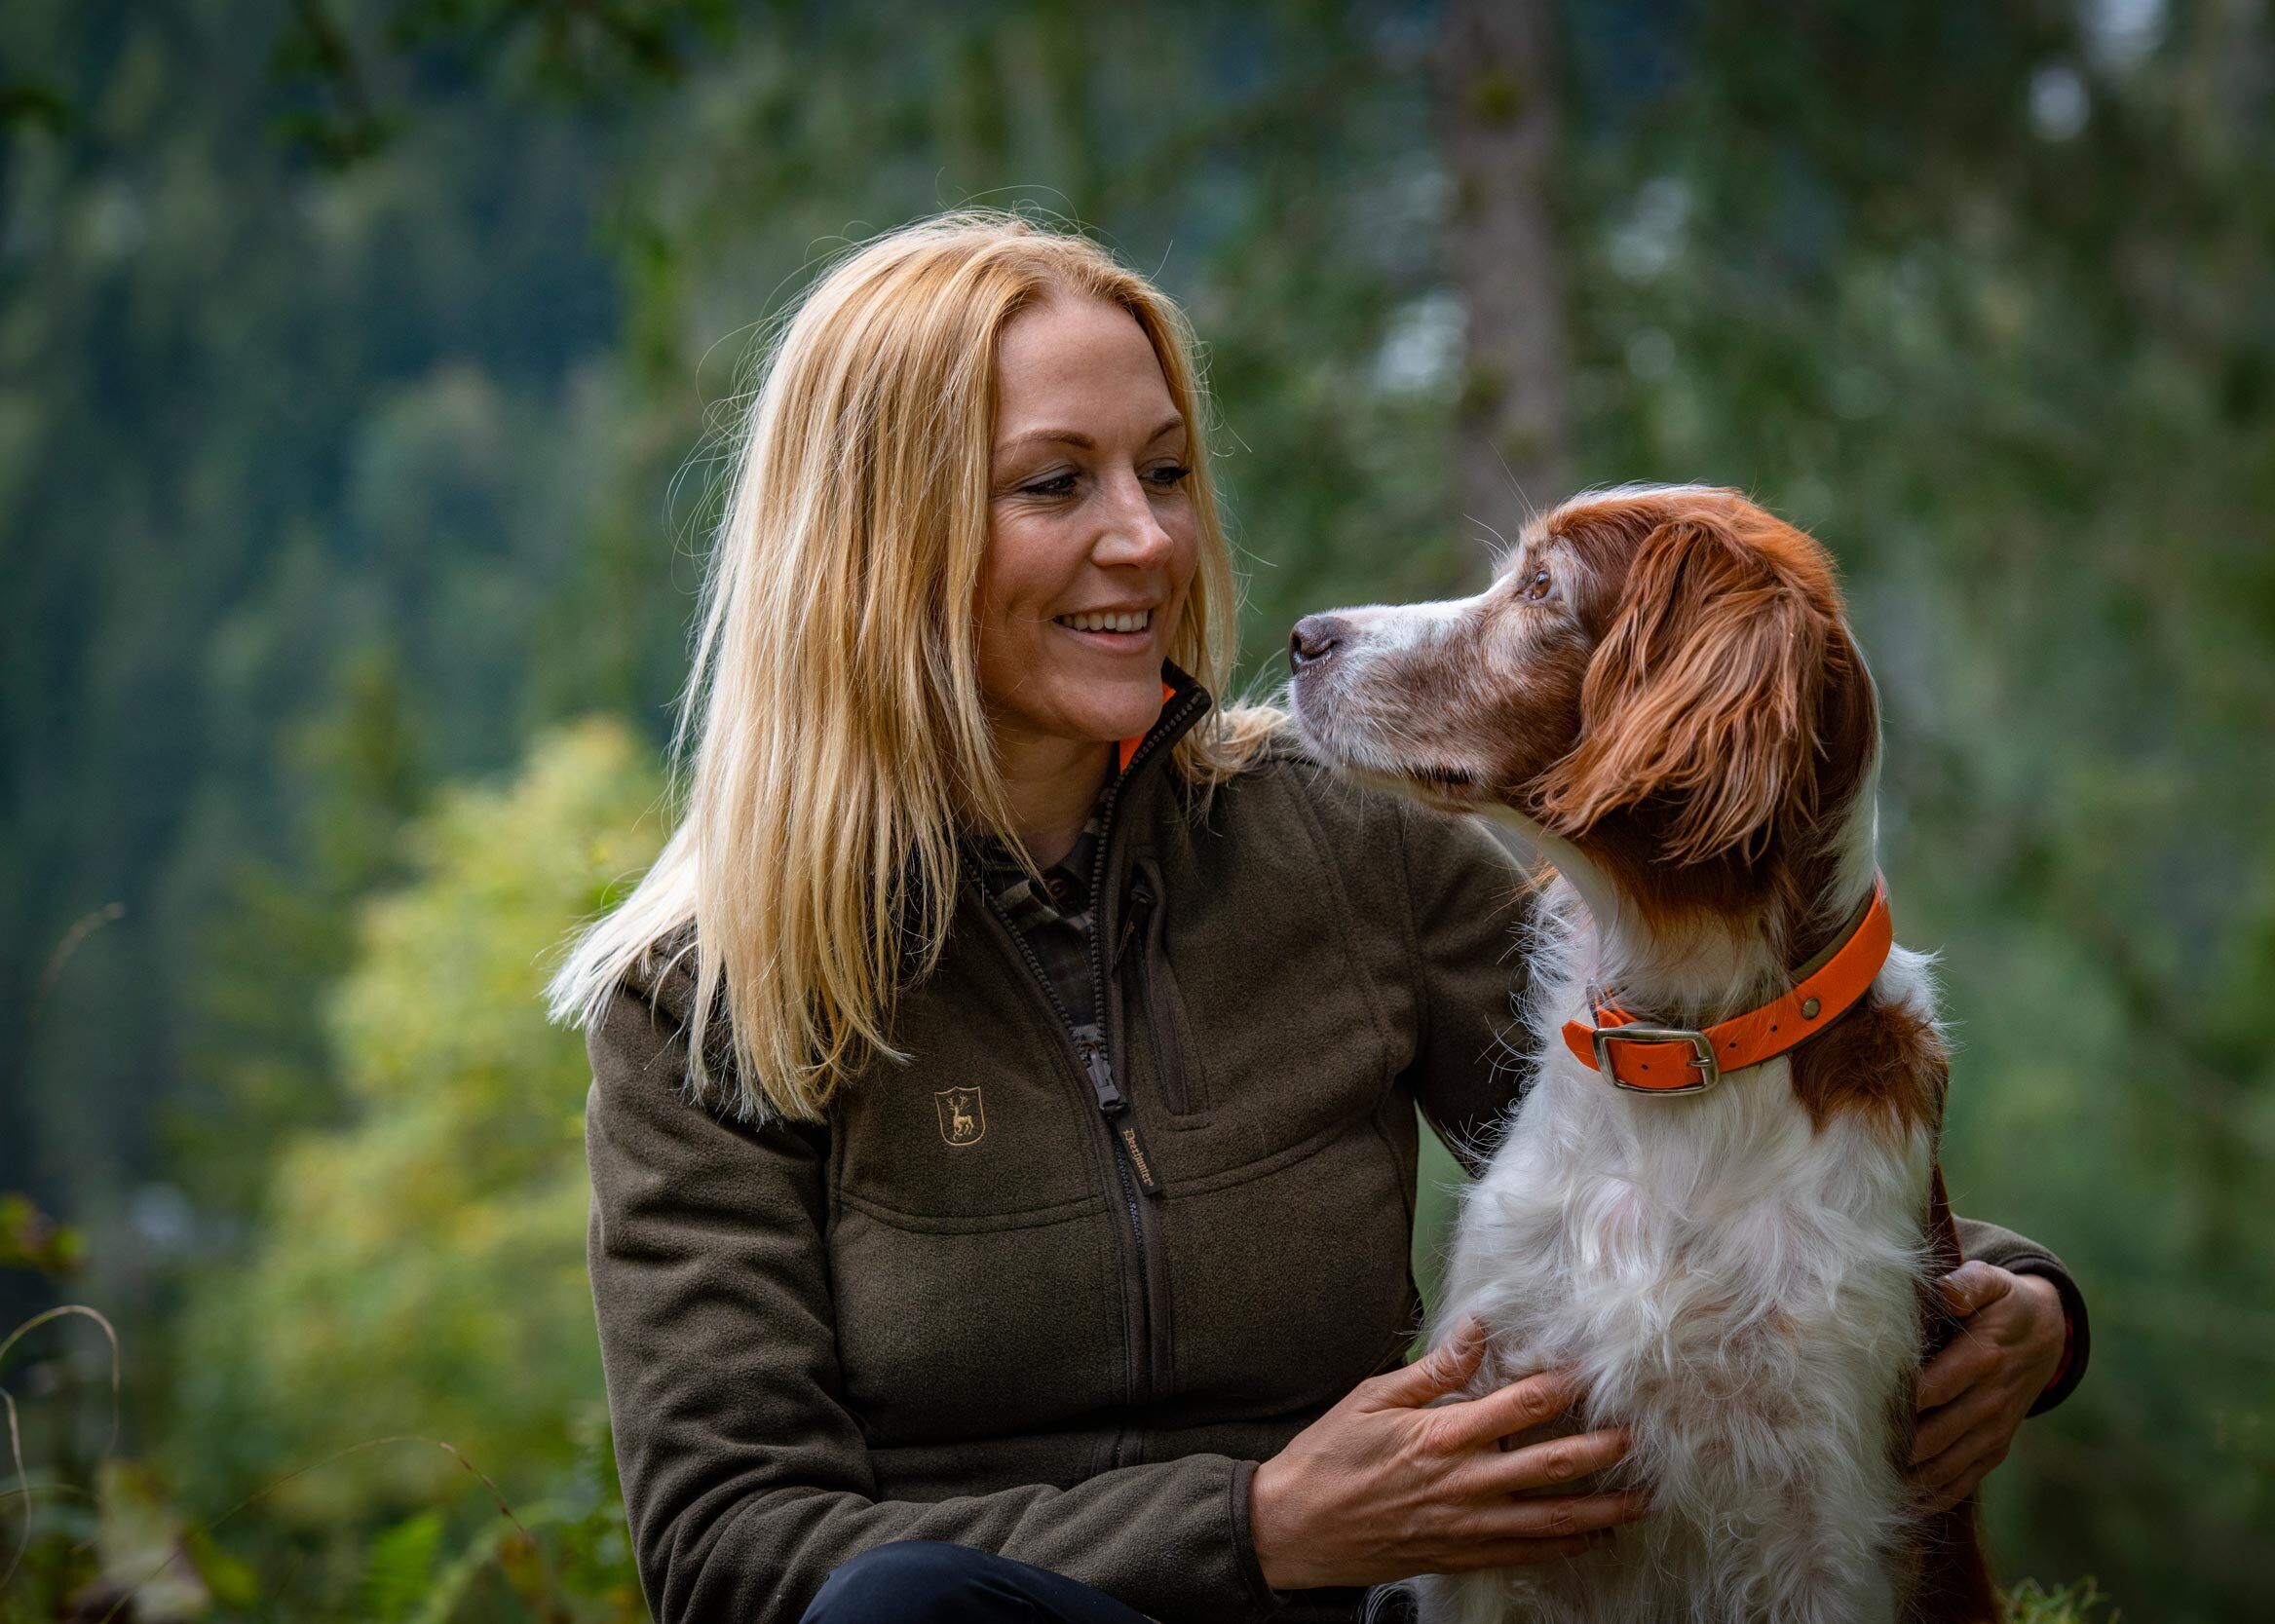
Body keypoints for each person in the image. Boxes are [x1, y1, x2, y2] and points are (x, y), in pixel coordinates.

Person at [547, 211, 2089, 1624]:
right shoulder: (704, 995)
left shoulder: (1337, 835)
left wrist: (2017, 1303)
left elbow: (1696, 1103)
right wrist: (1256, 1524)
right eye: (1053, 484)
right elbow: (730, 1550)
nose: (1147, 542)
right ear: (878, 544)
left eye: (1163, 471)